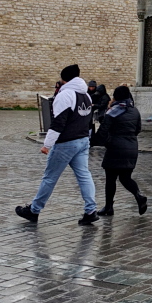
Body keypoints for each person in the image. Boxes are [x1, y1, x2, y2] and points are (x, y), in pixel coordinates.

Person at [16, 64, 98, 225]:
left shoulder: (66, 95)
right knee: (84, 175)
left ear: (64, 79)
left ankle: (34, 210)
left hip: (66, 142)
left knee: (50, 177)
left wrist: (47, 144)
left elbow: (58, 122)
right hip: (82, 140)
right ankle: (91, 209)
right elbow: (88, 120)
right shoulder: (86, 95)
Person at [96, 86, 147, 216]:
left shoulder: (113, 111)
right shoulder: (134, 111)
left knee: (111, 178)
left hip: (115, 148)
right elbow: (138, 129)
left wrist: (93, 142)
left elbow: (103, 131)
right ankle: (138, 195)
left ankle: (108, 207)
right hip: (131, 148)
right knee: (125, 177)